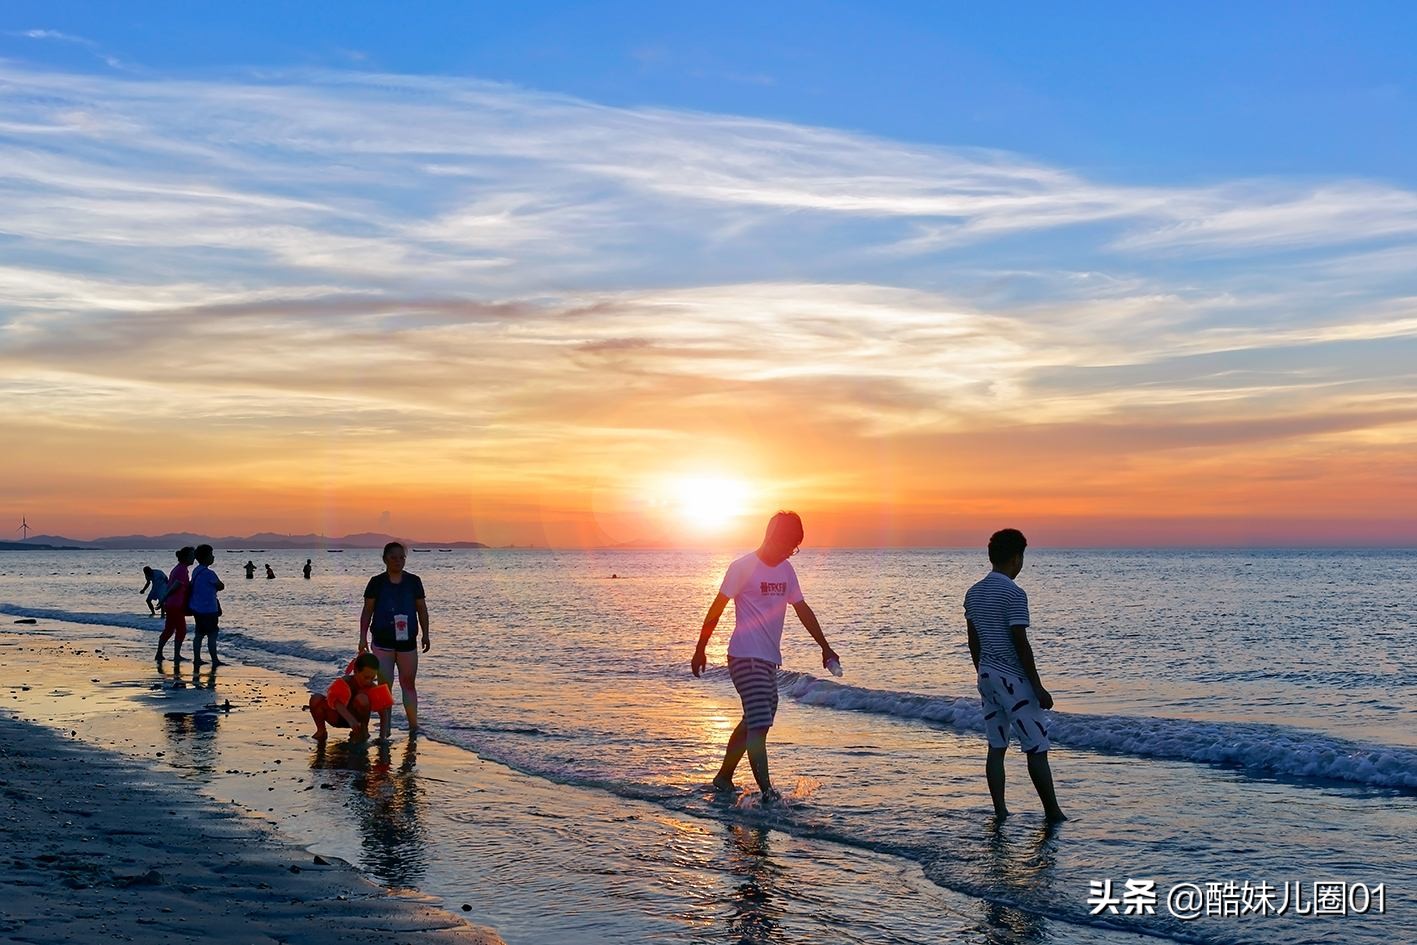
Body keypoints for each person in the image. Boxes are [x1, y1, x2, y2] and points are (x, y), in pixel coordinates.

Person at [692, 511, 837, 802]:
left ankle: (723, 777)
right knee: (759, 724)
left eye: (794, 547)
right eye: (788, 545)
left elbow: (802, 609)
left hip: (769, 661)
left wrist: (825, 646)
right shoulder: (742, 567)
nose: (790, 552)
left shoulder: (786, 571)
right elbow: (717, 607)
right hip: (744, 656)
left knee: (754, 719)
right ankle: (768, 794)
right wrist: (700, 647)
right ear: (772, 536)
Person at [964, 528, 1066, 822]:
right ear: (1016, 558)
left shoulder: (973, 593)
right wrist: (1038, 686)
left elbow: (973, 640)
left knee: (997, 746)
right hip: (1013, 678)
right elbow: (1020, 643)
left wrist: (982, 671)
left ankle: (1000, 810)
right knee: (1036, 746)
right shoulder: (1014, 593)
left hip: (986, 674)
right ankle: (1052, 812)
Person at [359, 542, 429, 737]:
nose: (398, 561)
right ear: (385, 559)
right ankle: (385, 729)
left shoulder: (414, 581)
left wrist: (426, 634)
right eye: (393, 557)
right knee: (384, 686)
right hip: (382, 642)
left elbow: (422, 609)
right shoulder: (376, 582)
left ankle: (413, 727)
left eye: (401, 557)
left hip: (408, 643)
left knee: (408, 684)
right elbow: (367, 611)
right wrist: (362, 637)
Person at [308, 653, 393, 741]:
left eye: (372, 678)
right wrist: (351, 720)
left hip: (358, 722)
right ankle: (321, 731)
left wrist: (382, 736)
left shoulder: (373, 688)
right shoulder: (345, 681)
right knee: (315, 698)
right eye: (366, 677)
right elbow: (336, 702)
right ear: (355, 671)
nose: (369, 681)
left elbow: (384, 713)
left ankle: (363, 731)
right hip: (338, 717)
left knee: (362, 698)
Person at [155, 546, 195, 662]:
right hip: (176, 604)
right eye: (192, 555)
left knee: (169, 629)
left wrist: (165, 599)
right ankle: (176, 655)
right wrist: (164, 597)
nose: (194, 558)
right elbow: (176, 585)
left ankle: (159, 653)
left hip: (171, 604)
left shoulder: (178, 568)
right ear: (186, 557)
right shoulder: (182, 569)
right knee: (181, 630)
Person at [188, 544, 225, 666]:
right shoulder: (209, 573)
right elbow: (220, 586)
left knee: (199, 634)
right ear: (206, 557)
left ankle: (197, 659)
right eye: (211, 555)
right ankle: (215, 659)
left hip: (196, 608)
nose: (213, 557)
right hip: (209, 609)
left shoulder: (196, 571)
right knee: (212, 634)